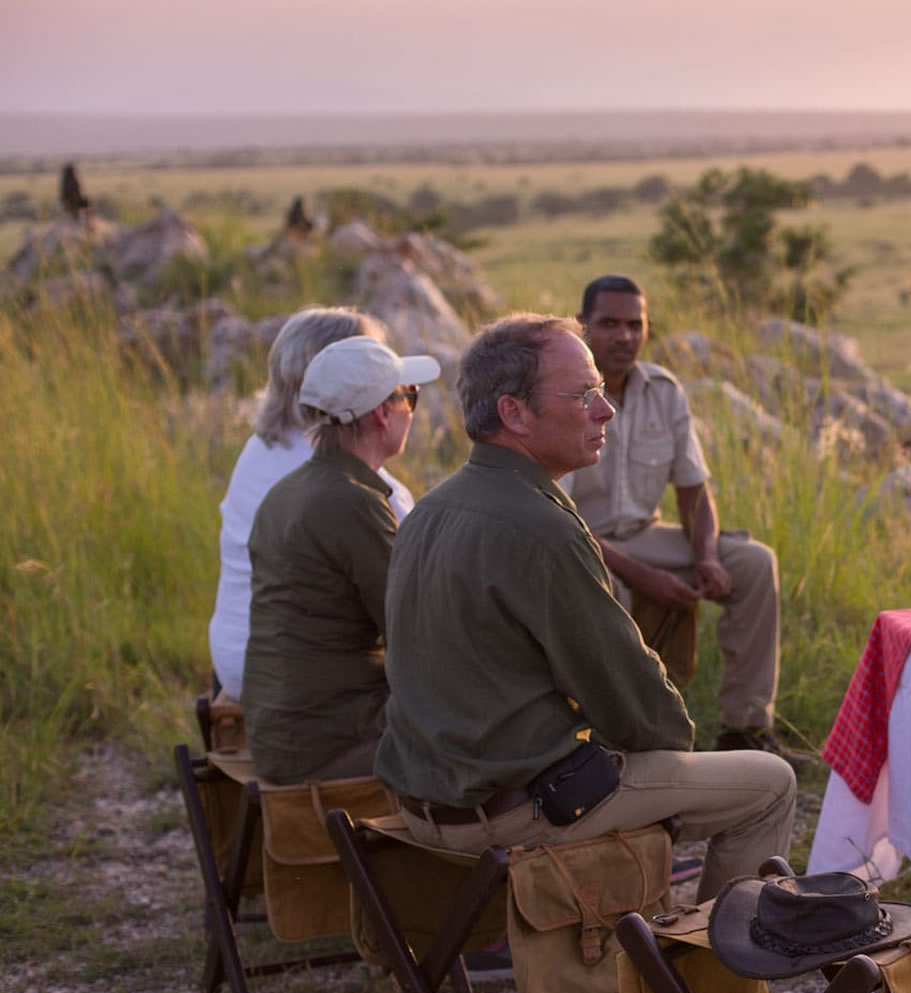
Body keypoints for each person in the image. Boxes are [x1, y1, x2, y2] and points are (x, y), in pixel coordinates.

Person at [375, 311, 796, 896]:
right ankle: (714, 979)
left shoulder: (429, 510)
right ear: (513, 413)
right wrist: (678, 754)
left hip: (424, 801)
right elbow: (636, 705)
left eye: (601, 391)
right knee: (770, 783)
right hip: (511, 813)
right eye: (584, 396)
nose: (606, 410)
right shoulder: (541, 526)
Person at [562, 274, 787, 755]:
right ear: (582, 327)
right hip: (581, 544)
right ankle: (622, 745)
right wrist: (645, 576)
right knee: (612, 590)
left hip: (645, 536)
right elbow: (559, 515)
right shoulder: (565, 396)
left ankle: (744, 730)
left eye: (634, 324)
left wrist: (706, 555)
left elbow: (694, 489)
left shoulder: (664, 391)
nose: (623, 336)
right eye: (608, 324)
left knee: (752, 563)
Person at [241, 337, 440, 785]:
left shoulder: (288, 491)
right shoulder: (352, 502)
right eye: (409, 395)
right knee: (502, 745)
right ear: (381, 413)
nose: (412, 408)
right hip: (331, 742)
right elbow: (418, 636)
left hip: (287, 734)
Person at [208, 308, 415, 700]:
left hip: (235, 655)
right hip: (288, 677)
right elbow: (412, 592)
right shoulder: (337, 475)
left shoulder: (263, 447)